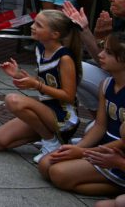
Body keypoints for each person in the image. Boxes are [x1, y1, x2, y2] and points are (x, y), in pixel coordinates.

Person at [39, 31, 125, 197]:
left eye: (108, 52)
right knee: (45, 165)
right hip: (104, 146)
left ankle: (118, 185)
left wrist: (83, 153)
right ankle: (112, 184)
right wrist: (78, 148)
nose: (100, 55)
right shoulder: (106, 84)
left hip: (118, 153)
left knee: (59, 174)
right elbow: (100, 126)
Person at [0, 10, 81, 162]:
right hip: (44, 112)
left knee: (13, 100)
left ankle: (51, 141)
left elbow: (68, 96)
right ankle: (53, 139)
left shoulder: (64, 58)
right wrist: (18, 74)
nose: (32, 26)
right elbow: (43, 80)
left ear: (54, 34)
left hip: (64, 117)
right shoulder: (40, 49)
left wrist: (37, 85)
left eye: (39, 25)